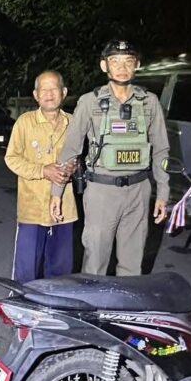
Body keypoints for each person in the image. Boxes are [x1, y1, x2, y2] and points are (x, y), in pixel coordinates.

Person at [50, 40, 169, 276]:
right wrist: (57, 192)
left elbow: (161, 150)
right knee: (95, 260)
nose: (122, 68)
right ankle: (93, 299)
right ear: (104, 66)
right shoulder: (90, 101)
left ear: (137, 65)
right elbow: (71, 149)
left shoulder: (149, 102)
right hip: (101, 192)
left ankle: (126, 300)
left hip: (138, 191)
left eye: (128, 61)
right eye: (115, 61)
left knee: (132, 263)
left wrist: (163, 193)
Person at [4, 70, 78, 282]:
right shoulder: (24, 123)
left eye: (54, 88)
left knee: (61, 270)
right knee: (26, 270)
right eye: (43, 90)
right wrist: (43, 170)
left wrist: (74, 167)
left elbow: (82, 158)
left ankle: (56, 302)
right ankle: (23, 301)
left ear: (64, 92)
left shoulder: (73, 123)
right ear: (36, 95)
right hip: (32, 208)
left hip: (64, 209)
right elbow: (11, 158)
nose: (49, 94)